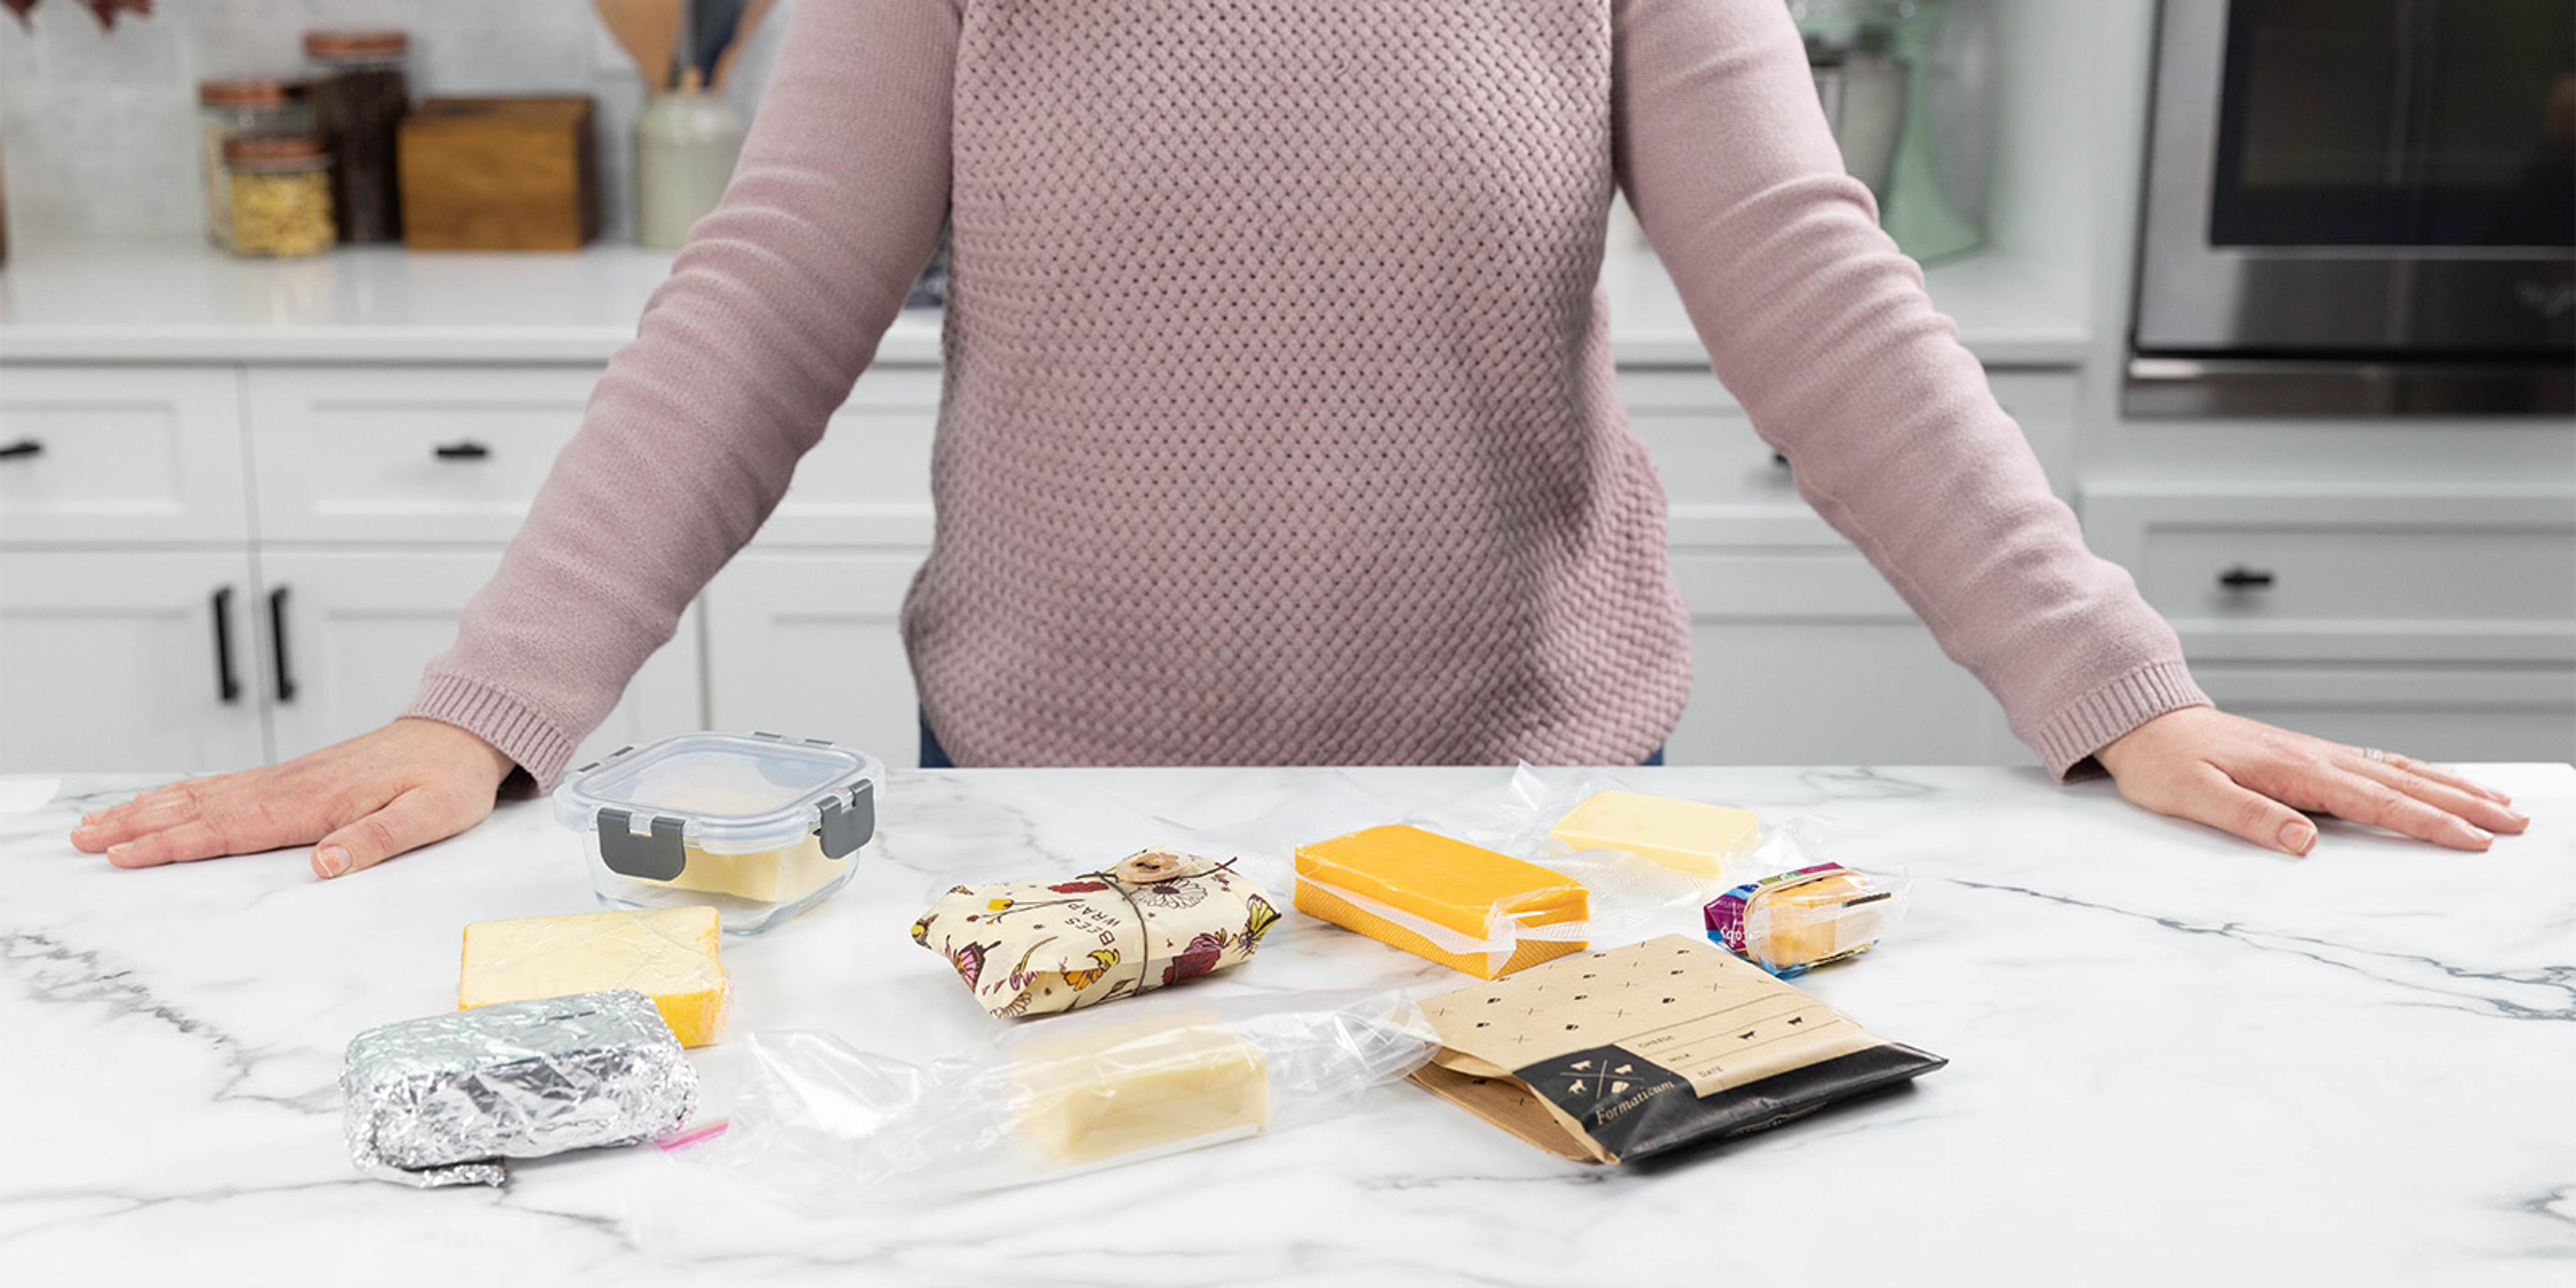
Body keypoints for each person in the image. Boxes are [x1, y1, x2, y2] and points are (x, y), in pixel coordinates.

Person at [69, 0, 2524, 877]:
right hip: (1043, 787)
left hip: (1528, 785)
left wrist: (2111, 679)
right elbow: (771, 288)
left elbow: (1809, 275)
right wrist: (488, 702)